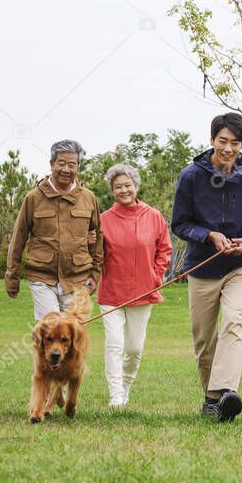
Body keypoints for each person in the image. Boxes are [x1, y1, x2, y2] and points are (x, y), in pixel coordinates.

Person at [171, 112, 242, 423]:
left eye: (236, 143)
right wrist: (208, 235)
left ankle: (227, 392)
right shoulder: (190, 177)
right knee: (204, 339)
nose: (229, 149)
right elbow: (180, 223)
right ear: (212, 139)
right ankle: (211, 397)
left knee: (233, 321)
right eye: (223, 141)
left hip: (241, 265)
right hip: (202, 266)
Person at [97, 163, 173, 409]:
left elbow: (165, 248)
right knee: (115, 344)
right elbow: (95, 254)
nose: (123, 190)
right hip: (112, 293)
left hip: (144, 290)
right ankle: (115, 396)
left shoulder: (153, 216)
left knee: (134, 348)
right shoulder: (103, 220)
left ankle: (126, 386)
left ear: (136, 186)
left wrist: (157, 274)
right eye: (118, 187)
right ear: (112, 190)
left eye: (127, 185)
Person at [4, 139, 104, 321]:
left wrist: (95, 274)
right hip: (42, 278)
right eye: (61, 163)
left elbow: (97, 237)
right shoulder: (34, 197)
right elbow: (18, 238)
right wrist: (12, 276)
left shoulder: (88, 198)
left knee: (73, 335)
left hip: (78, 279)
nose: (66, 169)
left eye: (72, 165)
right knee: (50, 331)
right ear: (52, 164)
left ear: (78, 167)